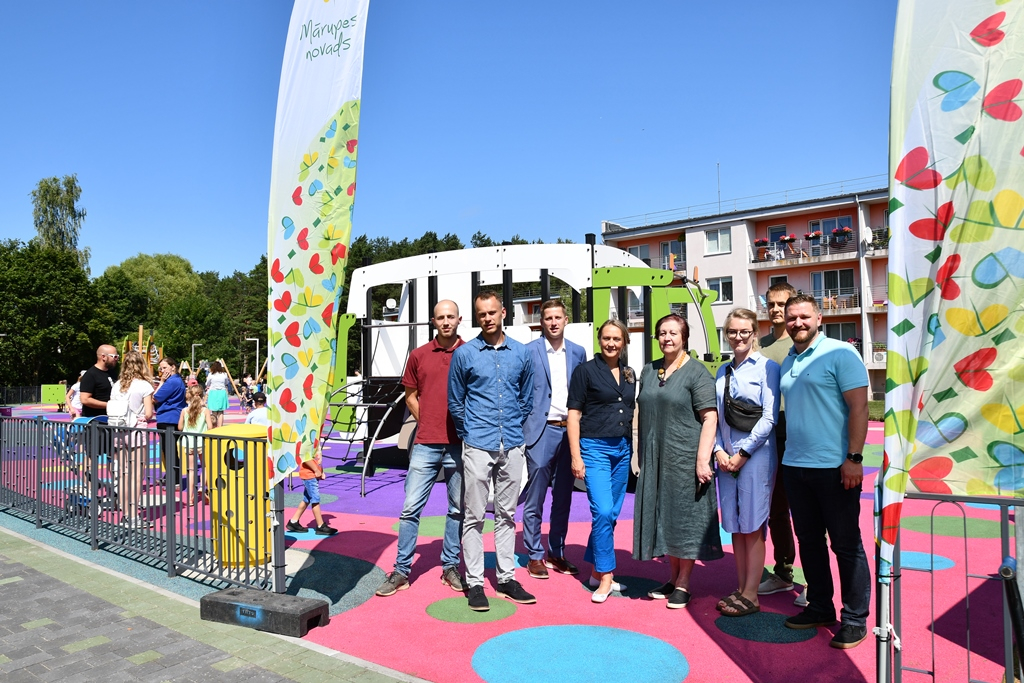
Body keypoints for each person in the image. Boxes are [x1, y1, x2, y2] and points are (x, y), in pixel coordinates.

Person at [779, 293, 871, 649]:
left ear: (819, 317)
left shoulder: (841, 353)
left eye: (803, 316)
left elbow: (860, 408)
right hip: (795, 466)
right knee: (810, 542)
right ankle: (819, 606)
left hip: (835, 467)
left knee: (846, 545)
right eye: (791, 318)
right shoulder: (789, 358)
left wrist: (854, 458)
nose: (797, 323)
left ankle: (854, 618)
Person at [448, 291, 535, 612]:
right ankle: (473, 582)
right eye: (481, 313)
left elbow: (526, 397)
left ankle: (506, 578)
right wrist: (468, 432)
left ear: (504, 313)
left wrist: (513, 424)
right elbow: (456, 401)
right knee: (472, 516)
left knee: (507, 515)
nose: (487, 318)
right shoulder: (465, 355)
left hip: (512, 442)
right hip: (477, 444)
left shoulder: (521, 354)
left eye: (492, 312)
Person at [376, 300, 467, 597]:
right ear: (433, 321)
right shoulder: (419, 355)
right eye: (440, 317)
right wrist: (425, 418)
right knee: (410, 508)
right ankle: (402, 571)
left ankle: (450, 566)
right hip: (426, 442)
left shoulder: (469, 353)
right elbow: (410, 395)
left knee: (457, 509)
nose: (445, 322)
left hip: (459, 445)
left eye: (450, 317)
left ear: (459, 319)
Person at [633, 314, 722, 609]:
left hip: (685, 455)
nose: (667, 338)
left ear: (684, 337)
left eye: (673, 333)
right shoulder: (649, 370)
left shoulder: (697, 372)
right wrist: (639, 451)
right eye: (662, 333)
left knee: (685, 520)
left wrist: (702, 459)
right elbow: (641, 410)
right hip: (656, 457)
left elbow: (710, 417)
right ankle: (672, 578)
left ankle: (684, 583)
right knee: (666, 516)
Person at [713, 308, 780, 617]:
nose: (737, 337)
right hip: (726, 458)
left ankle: (752, 594)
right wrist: (718, 452)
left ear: (754, 333)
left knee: (753, 526)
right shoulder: (722, 371)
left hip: (755, 457)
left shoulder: (768, 368)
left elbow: (769, 418)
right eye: (732, 332)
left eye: (744, 331)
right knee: (736, 527)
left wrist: (743, 453)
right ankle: (742, 588)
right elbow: (714, 417)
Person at [567, 319, 635, 603]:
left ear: (624, 342)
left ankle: (596, 570)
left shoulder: (630, 373)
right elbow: (573, 414)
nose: (611, 343)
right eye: (606, 338)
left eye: (616, 339)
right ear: (599, 339)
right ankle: (606, 576)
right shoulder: (585, 372)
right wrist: (576, 457)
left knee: (612, 514)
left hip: (622, 449)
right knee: (603, 512)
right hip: (594, 448)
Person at [521, 300, 587, 580]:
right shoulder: (528, 352)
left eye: (557, 317)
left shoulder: (578, 352)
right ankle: (534, 554)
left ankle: (556, 552)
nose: (553, 322)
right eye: (547, 318)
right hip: (541, 431)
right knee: (535, 495)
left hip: (570, 431)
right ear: (541, 322)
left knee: (563, 496)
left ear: (566, 319)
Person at [757, 282, 805, 606]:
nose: (775, 309)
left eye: (781, 304)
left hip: (798, 431)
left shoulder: (801, 344)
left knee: (805, 510)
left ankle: (815, 581)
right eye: (771, 304)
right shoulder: (759, 346)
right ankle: (783, 572)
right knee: (774, 509)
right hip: (768, 431)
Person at [108, 350, 155, 528]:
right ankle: (133, 515)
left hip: (118, 430)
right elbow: (149, 413)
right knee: (136, 474)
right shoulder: (144, 385)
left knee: (122, 473)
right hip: (136, 430)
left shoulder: (117, 385)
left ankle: (124, 513)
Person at [153, 357, 187, 489]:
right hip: (169, 417)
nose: (162, 371)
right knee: (167, 450)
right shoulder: (176, 381)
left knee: (170, 451)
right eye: (161, 368)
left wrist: (161, 382)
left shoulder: (171, 382)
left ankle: (175, 481)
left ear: (173, 367)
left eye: (165, 367)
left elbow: (155, 398)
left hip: (169, 418)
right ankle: (171, 477)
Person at [286, 452, 338, 535]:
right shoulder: (307, 442)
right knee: (315, 499)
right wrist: (316, 470)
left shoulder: (314, 442)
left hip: (312, 474)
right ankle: (320, 526)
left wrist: (321, 471)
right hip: (309, 475)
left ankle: (293, 521)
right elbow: (306, 458)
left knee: (307, 499)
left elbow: (317, 459)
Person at [178, 385, 213, 506]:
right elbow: (210, 427)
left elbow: (180, 427)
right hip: (201, 441)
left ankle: (190, 498)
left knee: (191, 470)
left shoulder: (184, 411)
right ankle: (202, 486)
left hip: (188, 442)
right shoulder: (205, 411)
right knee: (206, 466)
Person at [79, 345, 119, 418]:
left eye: (117, 357)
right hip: (95, 420)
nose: (116, 359)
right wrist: (109, 405)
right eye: (114, 356)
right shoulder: (90, 375)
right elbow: (85, 399)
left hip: (112, 418)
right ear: (103, 357)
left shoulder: (112, 373)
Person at [205, 361, 230, 428]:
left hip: (213, 392)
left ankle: (214, 425)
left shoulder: (211, 374)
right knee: (221, 412)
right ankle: (220, 427)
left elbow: (207, 383)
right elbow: (226, 382)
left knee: (214, 411)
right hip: (222, 392)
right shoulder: (224, 374)